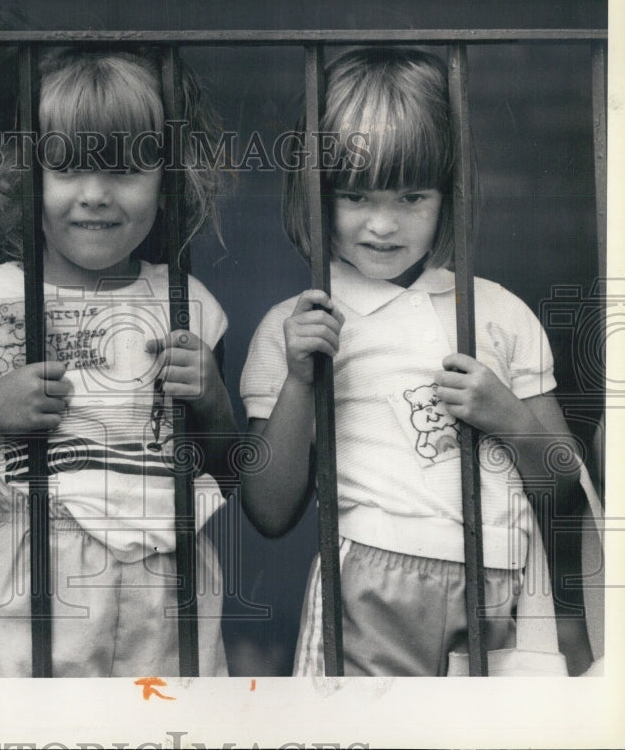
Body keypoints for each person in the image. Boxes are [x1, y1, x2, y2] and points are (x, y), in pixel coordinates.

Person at [239, 47, 583, 676]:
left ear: (448, 195)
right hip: (371, 579)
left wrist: (505, 415)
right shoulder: (299, 324)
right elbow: (267, 509)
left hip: (500, 586)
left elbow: (564, 485)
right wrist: (298, 380)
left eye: (412, 197)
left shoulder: (498, 313)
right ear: (315, 194)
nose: (382, 225)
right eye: (354, 196)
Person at [0, 47, 235, 677]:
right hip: (30, 568)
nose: (95, 196)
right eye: (67, 169)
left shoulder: (189, 304)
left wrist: (212, 399)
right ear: (27, 177)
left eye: (126, 170)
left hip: (169, 577)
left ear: (168, 180)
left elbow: (227, 466)